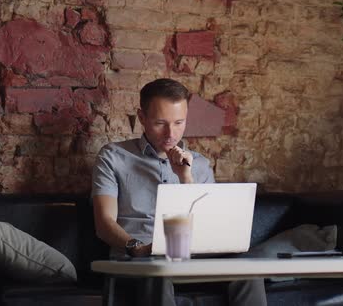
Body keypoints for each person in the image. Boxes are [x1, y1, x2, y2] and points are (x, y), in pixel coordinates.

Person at [91, 78, 267, 306]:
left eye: (179, 123)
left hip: (194, 259)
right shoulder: (113, 157)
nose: (170, 134)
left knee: (247, 269)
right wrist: (137, 248)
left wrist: (185, 178)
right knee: (158, 272)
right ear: (142, 118)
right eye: (160, 123)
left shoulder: (200, 164)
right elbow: (104, 223)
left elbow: (208, 227)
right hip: (139, 258)